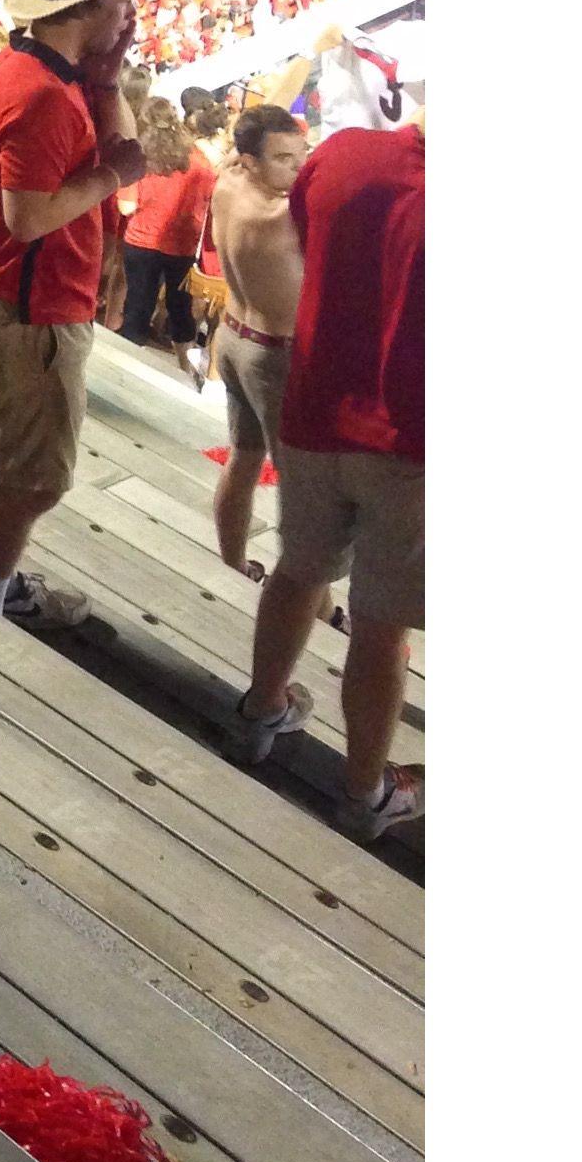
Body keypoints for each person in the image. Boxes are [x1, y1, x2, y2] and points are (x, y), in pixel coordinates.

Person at [0, 0, 163, 627]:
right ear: (93, 6)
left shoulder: (49, 70)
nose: (132, 18)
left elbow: (118, 136)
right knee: (37, 479)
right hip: (30, 312)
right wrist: (111, 177)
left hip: (17, 300)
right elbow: (28, 218)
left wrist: (107, 84)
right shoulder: (42, 93)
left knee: (2, 450)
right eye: (124, 5)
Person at [234, 70, 424, 839]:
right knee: (381, 626)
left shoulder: (340, 155)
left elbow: (313, 247)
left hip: (316, 410)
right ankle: (364, 791)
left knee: (298, 570)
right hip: (412, 444)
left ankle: (260, 712)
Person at [209, 105, 311, 595]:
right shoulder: (281, 215)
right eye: (284, 159)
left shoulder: (226, 181)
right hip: (273, 356)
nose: (298, 167)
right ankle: (315, 608)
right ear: (250, 160)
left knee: (244, 458)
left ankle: (231, 562)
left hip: (233, 335)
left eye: (301, 155)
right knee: (301, 490)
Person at [117, 100, 212, 352]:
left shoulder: (139, 156)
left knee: (137, 306)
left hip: (141, 240)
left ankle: (127, 367)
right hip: (182, 247)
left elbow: (125, 207)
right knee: (180, 308)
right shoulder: (200, 161)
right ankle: (185, 367)